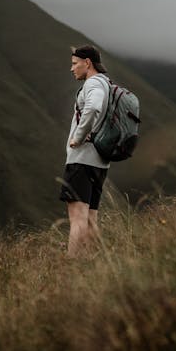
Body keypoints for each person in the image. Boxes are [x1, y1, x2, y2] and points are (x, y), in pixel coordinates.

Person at [59, 44, 110, 257]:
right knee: (90, 219)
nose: (72, 69)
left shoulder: (94, 85)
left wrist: (77, 138)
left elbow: (93, 107)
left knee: (77, 218)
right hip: (99, 161)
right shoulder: (107, 84)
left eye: (74, 64)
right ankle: (94, 265)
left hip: (82, 160)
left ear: (87, 63)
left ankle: (71, 265)